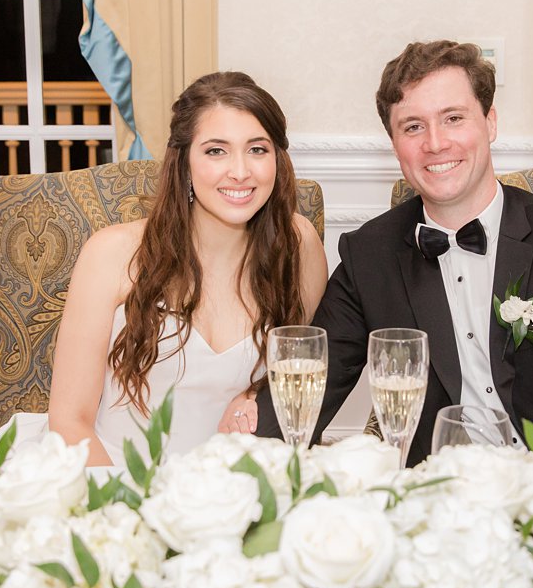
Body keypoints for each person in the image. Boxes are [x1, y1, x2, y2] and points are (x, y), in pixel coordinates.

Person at [253, 40, 533, 467]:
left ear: (490, 123)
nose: (435, 143)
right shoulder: (369, 257)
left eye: (453, 118)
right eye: (413, 126)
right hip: (438, 501)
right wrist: (236, 466)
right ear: (394, 143)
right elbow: (308, 386)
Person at [48, 71, 327, 465]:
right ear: (184, 162)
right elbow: (69, 420)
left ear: (278, 160)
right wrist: (123, 512)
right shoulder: (112, 253)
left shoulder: (298, 246)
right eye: (216, 151)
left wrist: (255, 395)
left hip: (237, 489)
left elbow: (301, 369)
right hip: (109, 479)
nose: (240, 171)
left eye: (257, 149)